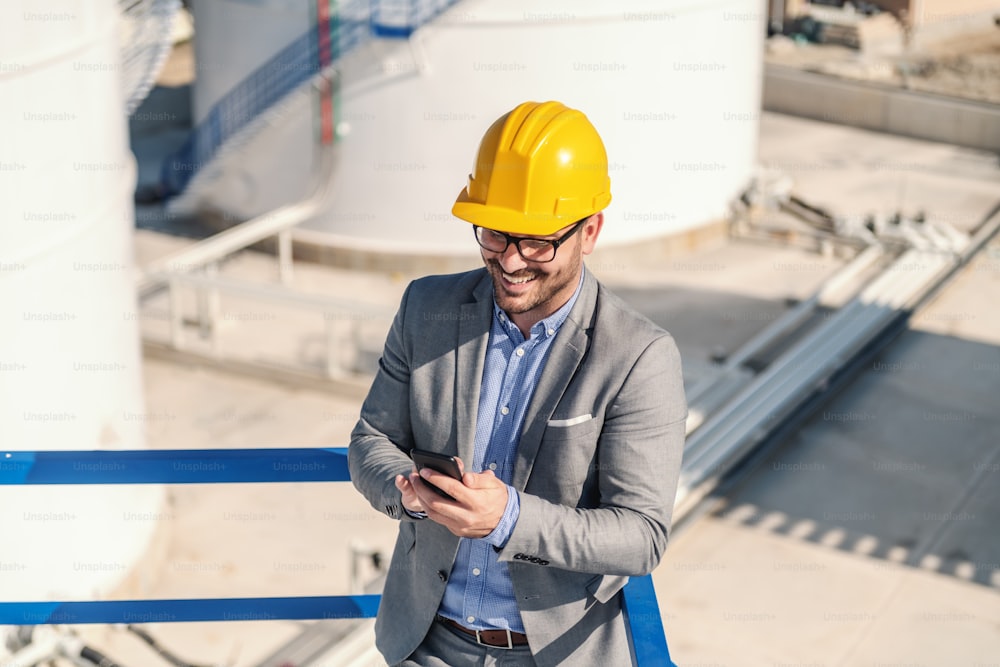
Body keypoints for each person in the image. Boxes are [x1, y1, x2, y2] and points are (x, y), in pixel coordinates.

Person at [349, 100, 687, 666]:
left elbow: (640, 535)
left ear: (591, 231)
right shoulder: (425, 308)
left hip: (552, 653)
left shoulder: (639, 357)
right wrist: (410, 493)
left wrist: (507, 518)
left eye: (537, 243)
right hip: (425, 642)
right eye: (495, 235)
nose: (510, 261)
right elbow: (369, 441)